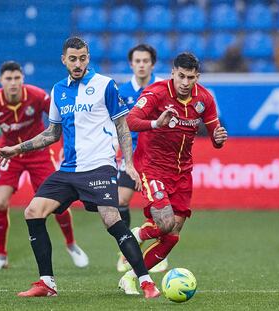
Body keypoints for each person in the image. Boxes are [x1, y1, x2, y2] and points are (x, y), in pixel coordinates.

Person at [0, 37, 160, 298]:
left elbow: (122, 126)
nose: (78, 63)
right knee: (33, 211)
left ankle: (146, 281)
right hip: (69, 170)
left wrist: (129, 164)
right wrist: (17, 148)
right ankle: (47, 283)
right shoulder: (58, 90)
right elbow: (51, 133)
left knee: (111, 220)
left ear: (88, 57)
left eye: (83, 58)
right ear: (64, 60)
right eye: (73, 59)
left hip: (99, 167)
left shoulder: (105, 85)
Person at [118, 52, 228, 294]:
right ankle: (138, 233)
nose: (185, 83)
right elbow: (131, 121)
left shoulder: (205, 99)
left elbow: (215, 135)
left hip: (183, 173)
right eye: (181, 76)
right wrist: (156, 123)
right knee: (166, 223)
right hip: (153, 168)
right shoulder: (157, 93)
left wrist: (219, 139)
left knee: (172, 236)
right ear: (173, 73)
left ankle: (131, 276)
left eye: (190, 77)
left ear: (197, 77)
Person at [0, 61, 89, 271]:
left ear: (22, 78)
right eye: (8, 79)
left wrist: (66, 146)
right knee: (1, 203)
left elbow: (61, 118)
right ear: (1, 81)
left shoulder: (37, 95)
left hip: (38, 154)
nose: (13, 83)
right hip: (8, 154)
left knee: (58, 204)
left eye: (16, 78)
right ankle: (1, 256)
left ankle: (71, 245)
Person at [116, 44, 168, 273]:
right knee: (120, 201)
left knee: (159, 207)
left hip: (157, 156)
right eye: (137, 61)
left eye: (145, 61)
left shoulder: (163, 88)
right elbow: (115, 122)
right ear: (131, 64)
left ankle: (158, 252)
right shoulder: (121, 91)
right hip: (131, 154)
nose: (141, 65)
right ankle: (125, 251)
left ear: (152, 64)